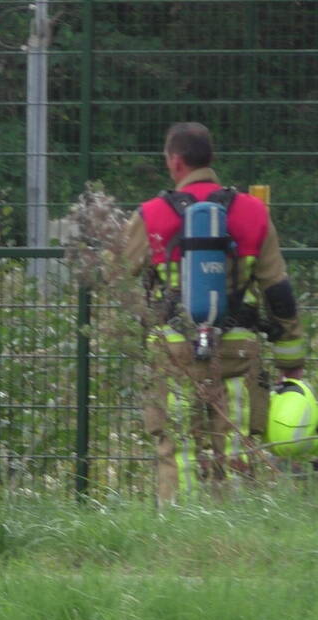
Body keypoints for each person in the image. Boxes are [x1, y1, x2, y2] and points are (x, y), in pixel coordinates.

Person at [121, 122, 305, 505]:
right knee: (236, 449)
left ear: (175, 162)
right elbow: (279, 292)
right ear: (212, 159)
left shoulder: (152, 215)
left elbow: (113, 273)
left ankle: (179, 530)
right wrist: (292, 362)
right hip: (238, 351)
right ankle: (234, 537)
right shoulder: (253, 213)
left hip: (174, 352)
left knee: (181, 452)